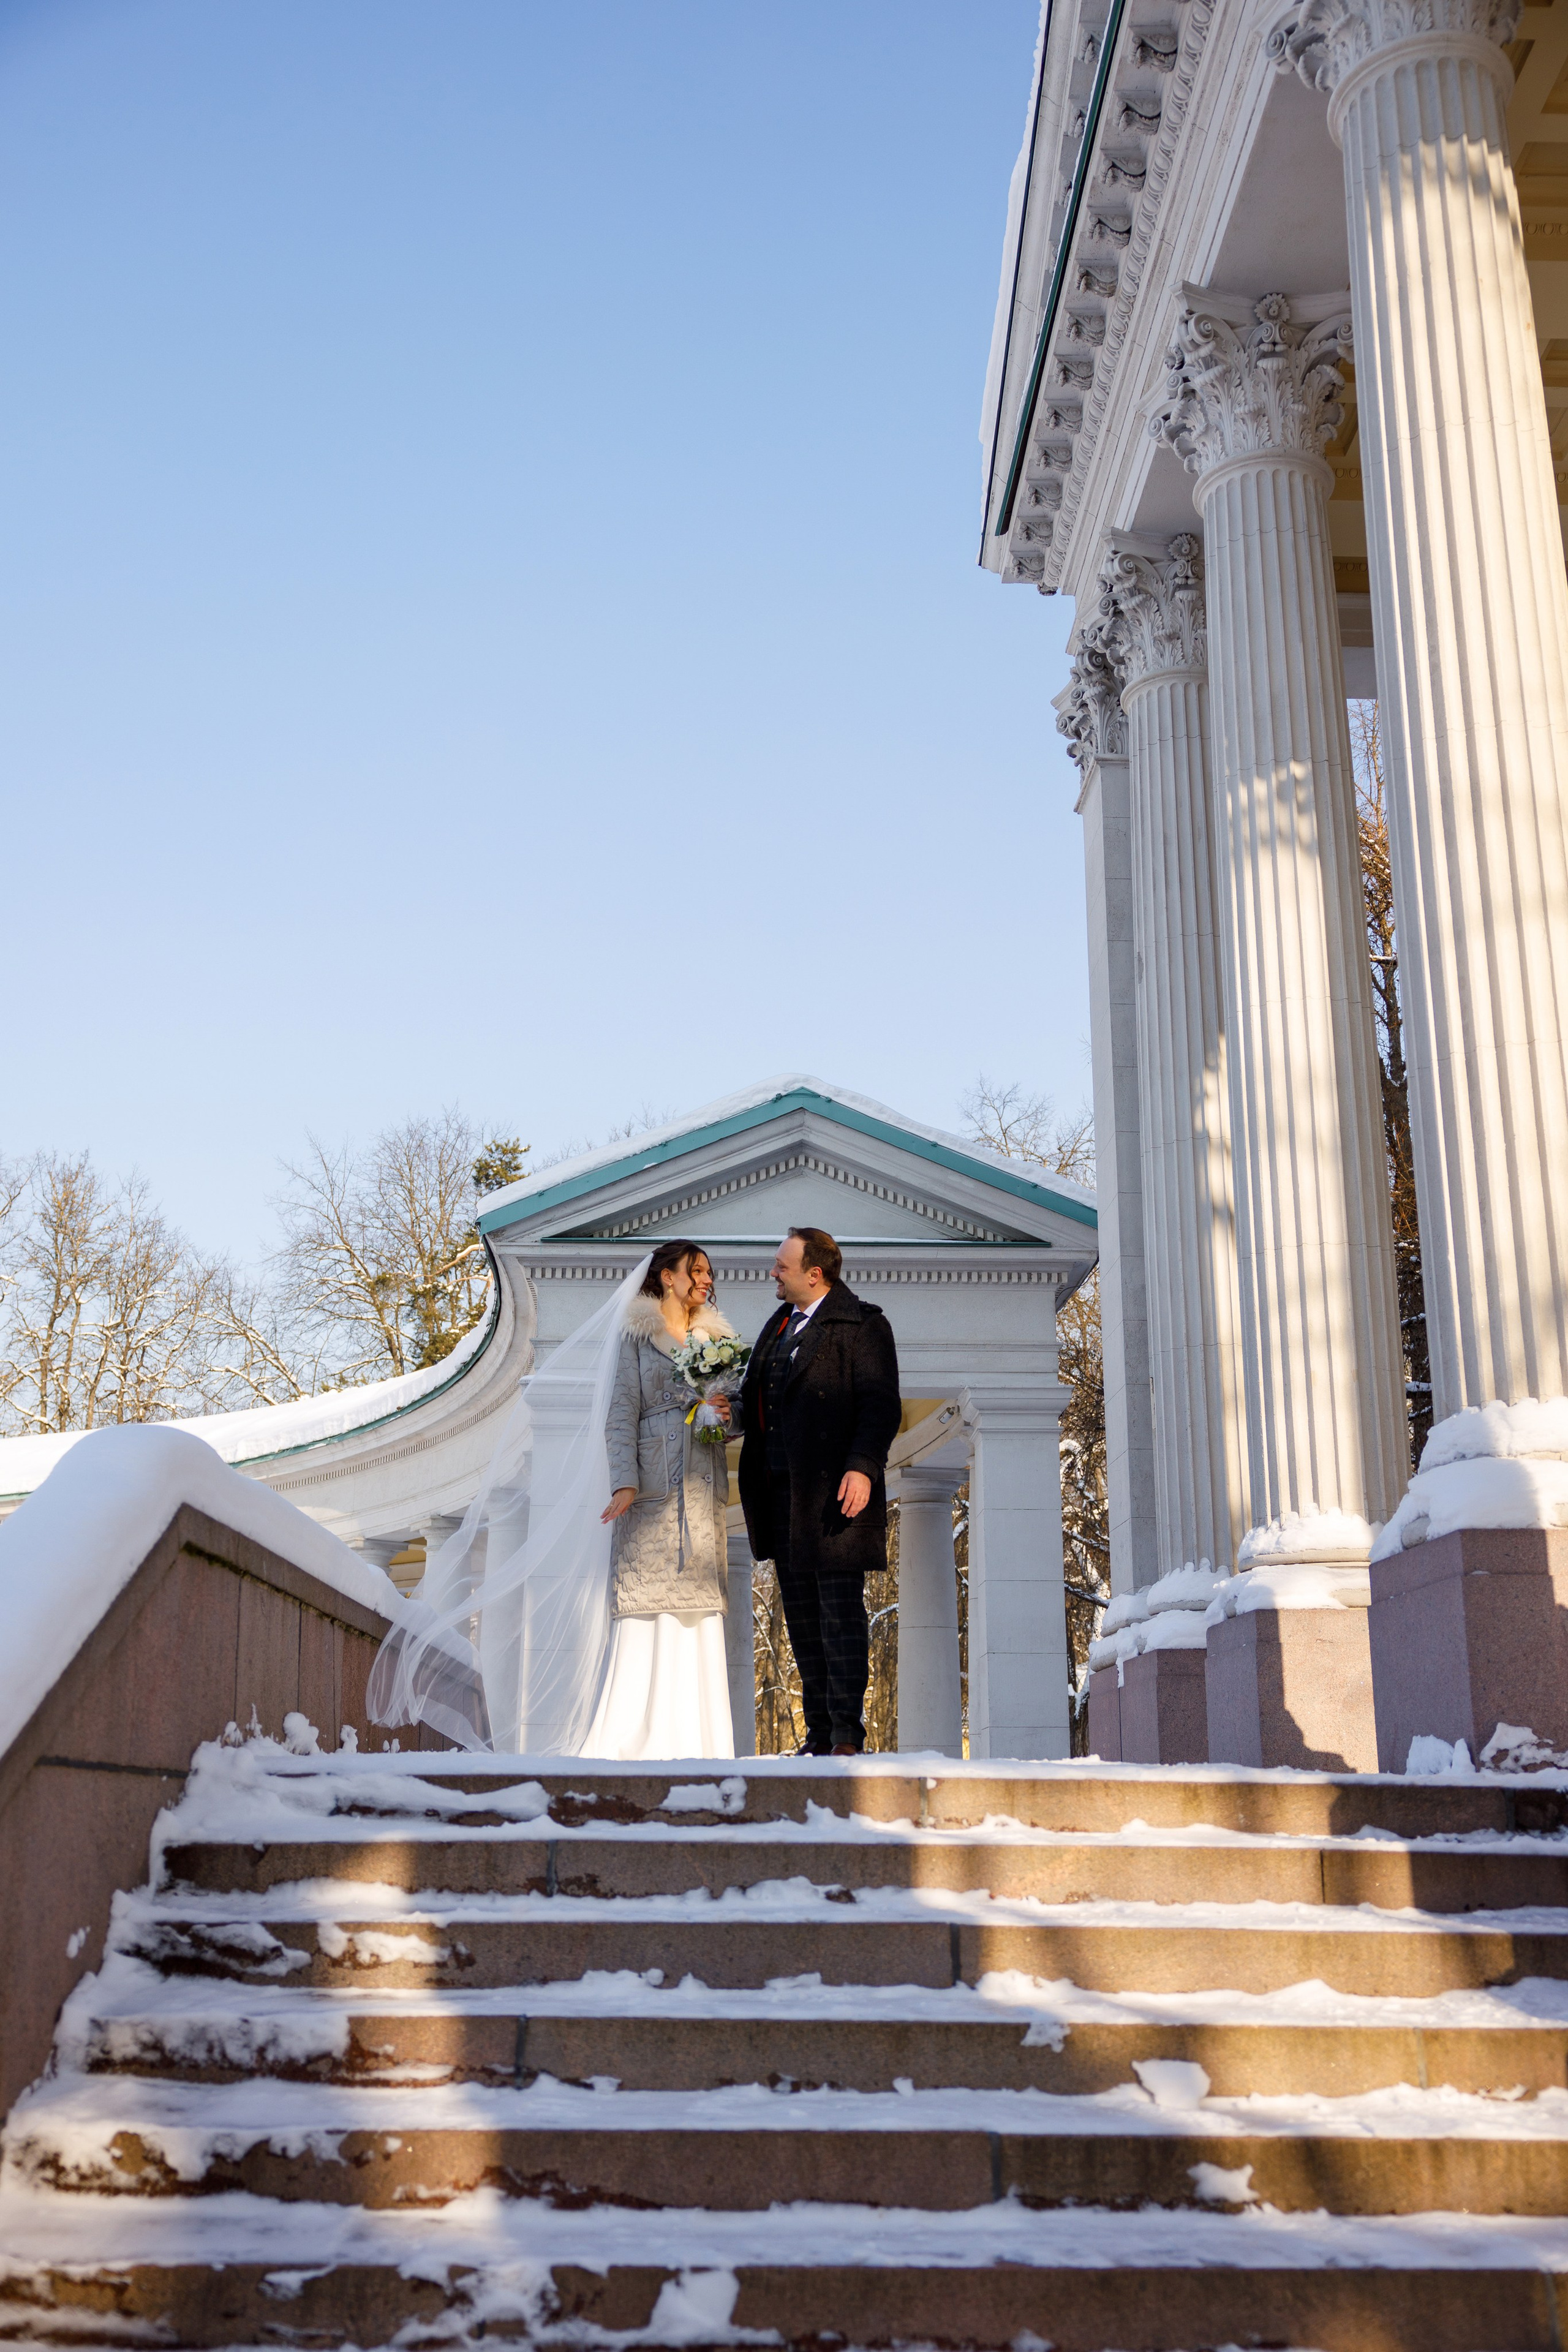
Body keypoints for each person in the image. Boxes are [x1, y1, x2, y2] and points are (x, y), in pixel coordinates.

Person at [737, 1227, 900, 1755]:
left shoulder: (863, 1326)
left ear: (815, 1273)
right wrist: (730, 1413)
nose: (773, 1272)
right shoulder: (778, 1325)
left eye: (781, 1265)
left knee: (839, 1614)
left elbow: (880, 1406)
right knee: (803, 1618)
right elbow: (757, 1402)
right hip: (781, 1496)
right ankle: (820, 1734)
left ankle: (848, 1735)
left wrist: (863, 1467)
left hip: (835, 1495)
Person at [586, 1239, 736, 1758]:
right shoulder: (636, 1335)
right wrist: (624, 1480)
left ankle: (700, 1742)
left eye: (708, 1272)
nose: (704, 1279)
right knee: (646, 1597)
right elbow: (621, 1410)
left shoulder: (717, 1338)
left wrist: (722, 1416)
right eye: (695, 1270)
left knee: (697, 1604)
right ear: (666, 1277)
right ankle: (629, 1741)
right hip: (652, 1485)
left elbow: (730, 1410)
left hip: (700, 1481)